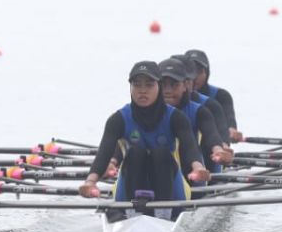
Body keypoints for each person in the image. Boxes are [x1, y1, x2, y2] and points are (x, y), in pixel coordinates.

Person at [79, 60, 210, 218]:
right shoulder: (118, 119)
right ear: (130, 87)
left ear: (159, 86)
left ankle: (164, 214)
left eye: (149, 85)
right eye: (137, 85)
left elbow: (190, 147)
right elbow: (103, 154)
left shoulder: (176, 117)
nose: (142, 91)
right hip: (129, 190)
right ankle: (132, 212)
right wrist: (90, 182)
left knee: (160, 153)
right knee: (135, 153)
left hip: (172, 192)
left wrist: (198, 168)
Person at [157, 57, 234, 173]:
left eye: (174, 84)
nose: (167, 91)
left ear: (186, 83)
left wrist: (220, 148)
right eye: (163, 84)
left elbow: (212, 136)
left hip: (196, 169)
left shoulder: (205, 108)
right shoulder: (136, 112)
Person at [185, 48, 242, 142]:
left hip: (213, 148)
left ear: (207, 73)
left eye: (199, 71)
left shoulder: (221, 96)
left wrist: (232, 131)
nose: (194, 77)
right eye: (191, 72)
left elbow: (229, 120)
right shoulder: (170, 99)